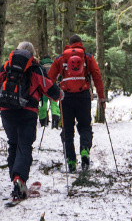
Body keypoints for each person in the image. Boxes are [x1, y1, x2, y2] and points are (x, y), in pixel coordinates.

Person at [0, 42, 63, 200]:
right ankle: (19, 180)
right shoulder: (36, 69)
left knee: (13, 144)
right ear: (32, 54)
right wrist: (60, 95)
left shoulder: (6, 67)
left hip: (6, 112)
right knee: (24, 145)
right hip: (28, 112)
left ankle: (15, 180)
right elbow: (49, 89)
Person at [47, 34, 105, 172]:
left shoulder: (60, 58)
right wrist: (102, 97)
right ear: (80, 43)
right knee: (85, 126)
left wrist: (52, 95)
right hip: (83, 96)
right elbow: (97, 76)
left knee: (67, 130)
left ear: (69, 44)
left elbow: (49, 79)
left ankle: (71, 160)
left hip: (65, 97)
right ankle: (84, 150)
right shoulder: (87, 57)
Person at [39, 56, 61, 129]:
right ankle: (55, 123)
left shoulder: (40, 65)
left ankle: (43, 122)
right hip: (53, 87)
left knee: (43, 105)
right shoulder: (54, 64)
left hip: (44, 89)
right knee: (54, 105)